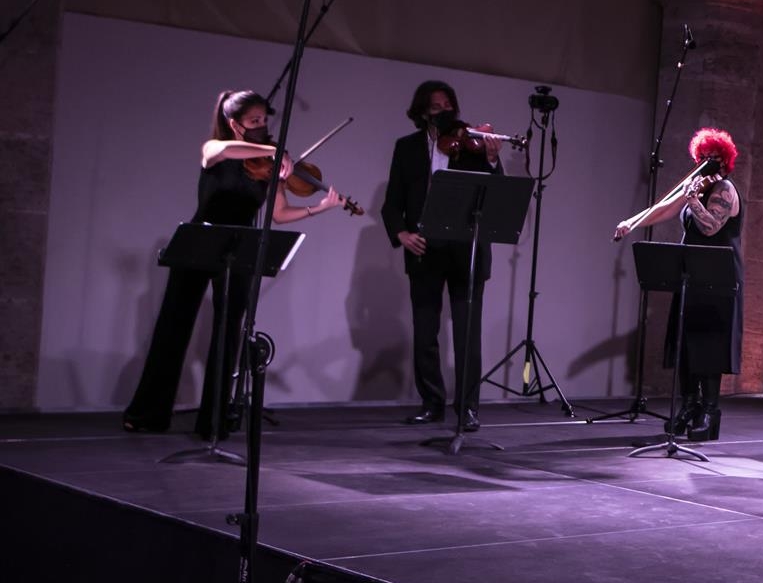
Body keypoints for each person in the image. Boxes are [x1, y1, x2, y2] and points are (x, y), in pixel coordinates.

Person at [123, 89, 345, 436]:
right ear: (234, 124)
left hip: (241, 246)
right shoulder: (215, 149)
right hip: (199, 242)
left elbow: (280, 214)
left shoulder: (269, 167)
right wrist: (274, 150)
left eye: (264, 121)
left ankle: (212, 422)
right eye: (254, 121)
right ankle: (147, 414)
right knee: (173, 328)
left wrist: (320, 208)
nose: (262, 127)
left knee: (228, 333)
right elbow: (226, 150)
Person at [381, 80, 504, 432]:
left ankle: (468, 409)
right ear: (423, 112)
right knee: (425, 333)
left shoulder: (471, 144)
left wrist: (491, 158)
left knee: (468, 336)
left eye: (449, 105)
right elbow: (392, 203)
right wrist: (402, 234)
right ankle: (432, 403)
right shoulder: (406, 148)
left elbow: (495, 191)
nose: (445, 111)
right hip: (424, 248)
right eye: (437, 107)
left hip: (466, 250)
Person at [613, 127, 743, 441]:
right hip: (692, 273)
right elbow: (666, 207)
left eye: (713, 158)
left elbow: (711, 227)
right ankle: (690, 404)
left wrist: (693, 199)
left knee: (709, 345)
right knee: (686, 342)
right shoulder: (696, 186)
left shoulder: (725, 190)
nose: (706, 163)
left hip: (718, 276)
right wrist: (632, 222)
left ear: (724, 160)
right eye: (702, 157)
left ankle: (710, 412)